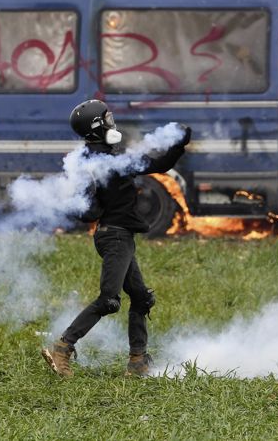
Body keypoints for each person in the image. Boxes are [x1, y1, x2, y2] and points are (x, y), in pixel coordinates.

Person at [41, 100, 190, 378]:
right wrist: (178, 144)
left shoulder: (92, 158)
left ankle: (137, 362)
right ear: (98, 127)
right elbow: (161, 164)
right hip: (116, 238)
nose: (113, 123)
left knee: (141, 298)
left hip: (117, 236)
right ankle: (62, 347)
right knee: (109, 300)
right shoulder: (112, 162)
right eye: (107, 119)